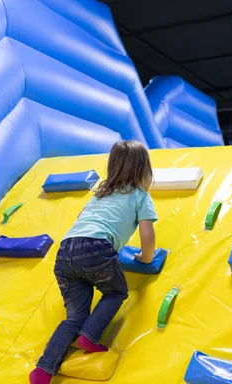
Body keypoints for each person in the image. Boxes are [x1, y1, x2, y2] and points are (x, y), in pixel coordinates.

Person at [30, 140, 158, 384]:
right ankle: (89, 336)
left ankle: (43, 370)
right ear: (143, 169)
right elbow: (147, 234)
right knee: (116, 292)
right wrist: (145, 257)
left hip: (66, 251)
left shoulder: (101, 190)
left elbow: (81, 218)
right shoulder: (140, 195)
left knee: (74, 317)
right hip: (96, 249)